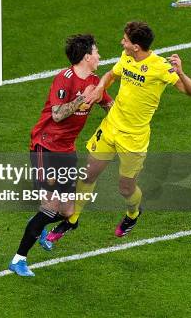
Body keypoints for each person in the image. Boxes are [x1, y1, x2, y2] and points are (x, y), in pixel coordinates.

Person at [47, 21, 191, 242]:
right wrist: (99, 88)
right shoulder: (126, 57)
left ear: (136, 46)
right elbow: (111, 74)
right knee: (88, 174)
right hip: (111, 127)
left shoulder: (160, 67)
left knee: (126, 189)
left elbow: (190, 91)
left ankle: (133, 214)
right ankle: (72, 220)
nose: (121, 42)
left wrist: (181, 73)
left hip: (134, 138)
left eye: (125, 40)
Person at [9, 34, 113, 277]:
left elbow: (109, 106)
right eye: (97, 52)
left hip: (66, 149)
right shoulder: (64, 79)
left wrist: (130, 115)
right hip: (46, 146)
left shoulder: (96, 81)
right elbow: (57, 114)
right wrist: (81, 99)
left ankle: (41, 225)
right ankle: (18, 259)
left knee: (67, 211)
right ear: (87, 57)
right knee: (50, 205)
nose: (99, 56)